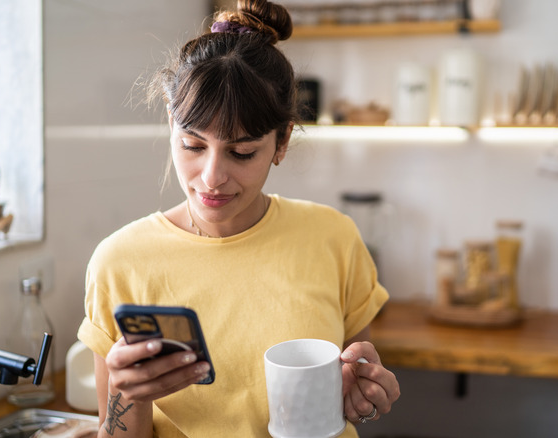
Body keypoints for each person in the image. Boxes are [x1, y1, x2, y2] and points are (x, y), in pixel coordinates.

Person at [77, 1, 400, 436]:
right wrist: (127, 394)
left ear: (282, 141)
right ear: (171, 123)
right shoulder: (119, 261)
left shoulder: (333, 237)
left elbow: (349, 379)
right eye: (192, 145)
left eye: (242, 152)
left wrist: (361, 390)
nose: (211, 177)